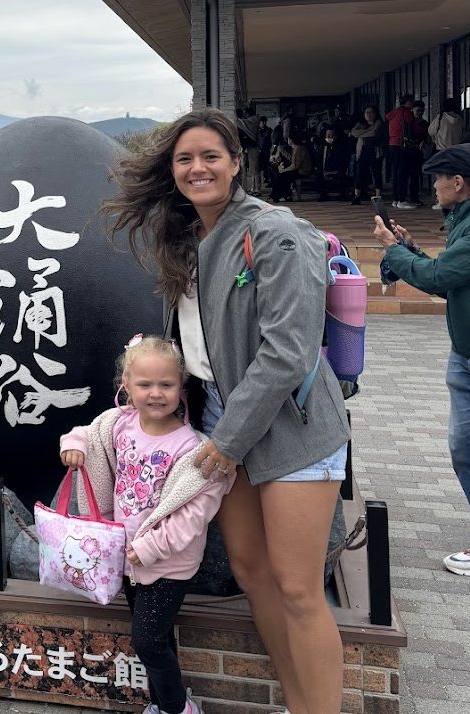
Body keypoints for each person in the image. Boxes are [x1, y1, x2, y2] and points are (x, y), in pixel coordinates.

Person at [103, 107, 351, 714]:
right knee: (251, 571)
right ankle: (299, 702)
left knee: (297, 586)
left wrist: (226, 441)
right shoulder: (192, 239)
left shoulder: (275, 233)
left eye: (211, 155)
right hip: (220, 415)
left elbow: (288, 353)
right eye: (184, 159)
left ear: (237, 163)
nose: (197, 168)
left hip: (290, 425)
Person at [60, 335, 233, 714]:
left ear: (181, 386)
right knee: (157, 637)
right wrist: (74, 445)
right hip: (129, 558)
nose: (156, 394)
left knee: (147, 641)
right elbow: (89, 433)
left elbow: (197, 509)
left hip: (168, 562)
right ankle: (162, 705)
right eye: (145, 384)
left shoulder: (193, 447)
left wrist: (151, 547)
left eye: (166, 384)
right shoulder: (120, 425)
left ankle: (177, 709)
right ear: (126, 385)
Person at [372, 143, 470, 576]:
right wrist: (409, 251)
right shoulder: (463, 221)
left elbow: (439, 278)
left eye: (438, 179)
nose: (433, 187)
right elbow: (446, 279)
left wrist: (391, 249)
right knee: (465, 448)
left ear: (458, 182)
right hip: (465, 355)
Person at [386, 93, 418, 209]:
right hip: (402, 145)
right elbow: (411, 129)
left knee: (396, 173)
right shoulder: (406, 113)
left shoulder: (393, 113)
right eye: (412, 101)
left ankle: (395, 199)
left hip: (392, 144)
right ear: (408, 102)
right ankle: (402, 199)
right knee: (402, 173)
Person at [350, 105, 385, 205]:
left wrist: (361, 133)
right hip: (362, 151)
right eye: (367, 112)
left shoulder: (379, 123)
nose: (369, 115)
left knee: (376, 173)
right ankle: (357, 196)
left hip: (375, 151)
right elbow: (353, 132)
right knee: (359, 174)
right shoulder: (360, 124)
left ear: (375, 113)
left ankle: (378, 197)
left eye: (371, 112)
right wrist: (367, 131)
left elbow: (374, 133)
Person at [268, 133, 313, 202]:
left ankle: (277, 195)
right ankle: (283, 195)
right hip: (298, 170)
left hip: (302, 171)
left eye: (288, 139)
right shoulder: (296, 148)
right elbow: (293, 160)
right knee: (279, 174)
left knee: (282, 175)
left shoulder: (299, 149)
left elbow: (295, 166)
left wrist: (284, 170)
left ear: (291, 140)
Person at [315, 127, 350, 201]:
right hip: (325, 169)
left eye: (331, 135)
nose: (330, 137)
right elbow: (319, 160)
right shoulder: (322, 146)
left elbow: (343, 160)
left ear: (335, 136)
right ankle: (323, 195)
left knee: (343, 176)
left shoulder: (341, 146)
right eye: (328, 135)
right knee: (318, 176)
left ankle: (343, 195)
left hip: (338, 169)